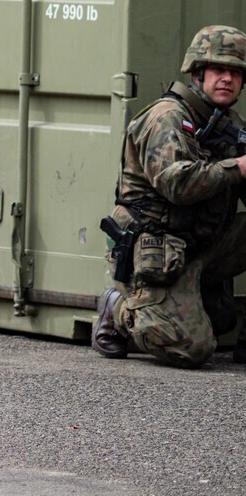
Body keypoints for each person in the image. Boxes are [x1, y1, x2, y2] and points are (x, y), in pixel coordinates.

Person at [92, 25, 246, 368]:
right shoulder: (167, 117)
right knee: (192, 349)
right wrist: (238, 167)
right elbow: (177, 184)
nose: (227, 79)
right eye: (219, 70)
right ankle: (118, 307)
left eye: (235, 72)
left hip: (199, 244)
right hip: (158, 251)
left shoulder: (228, 124)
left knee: (222, 325)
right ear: (198, 73)